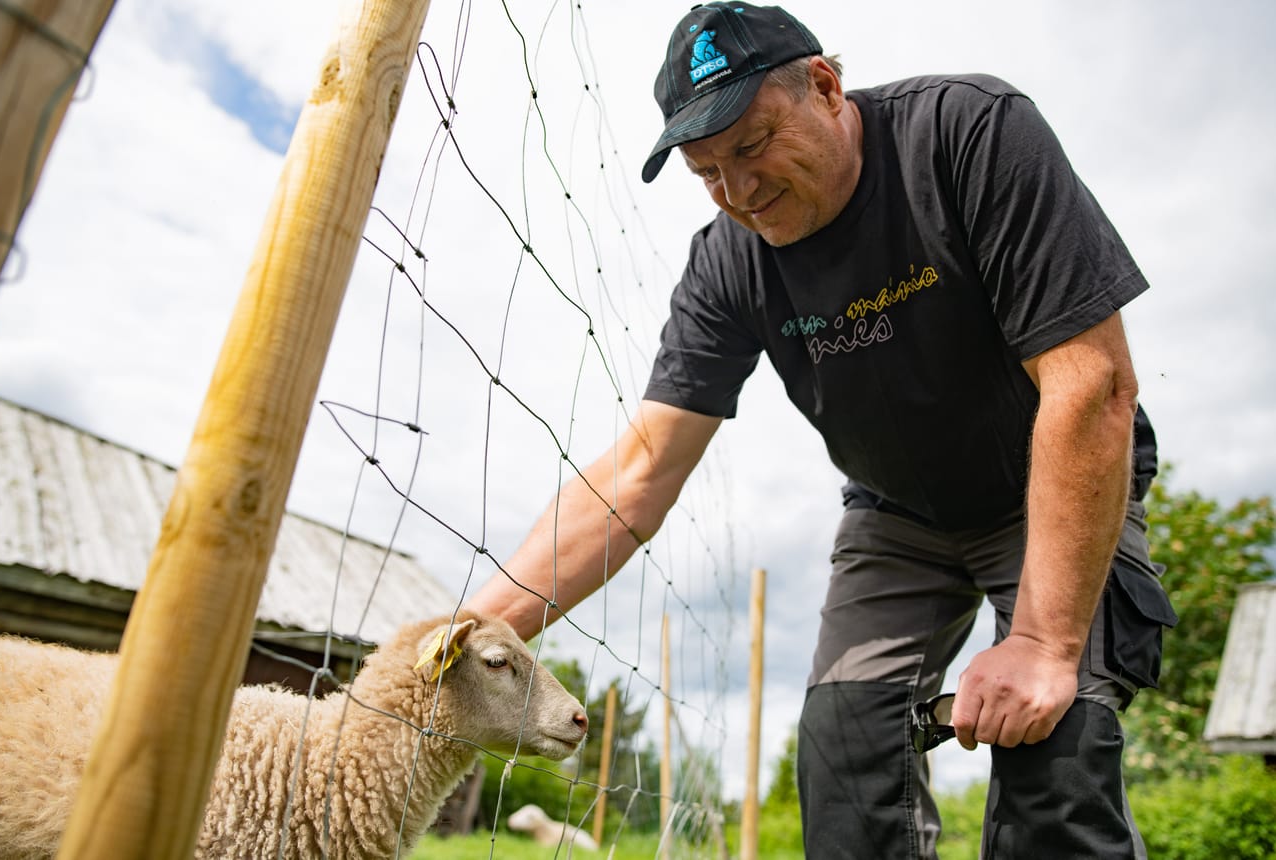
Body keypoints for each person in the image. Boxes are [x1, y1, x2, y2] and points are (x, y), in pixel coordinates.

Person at [467, 3, 1178, 857]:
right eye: (707, 171)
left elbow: (1091, 385)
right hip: (898, 513)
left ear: (826, 88)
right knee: (844, 754)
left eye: (752, 144)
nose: (738, 191)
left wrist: (1038, 642)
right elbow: (640, 472)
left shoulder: (967, 135)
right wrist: (464, 636)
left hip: (1050, 481)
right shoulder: (730, 261)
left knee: (1053, 754)